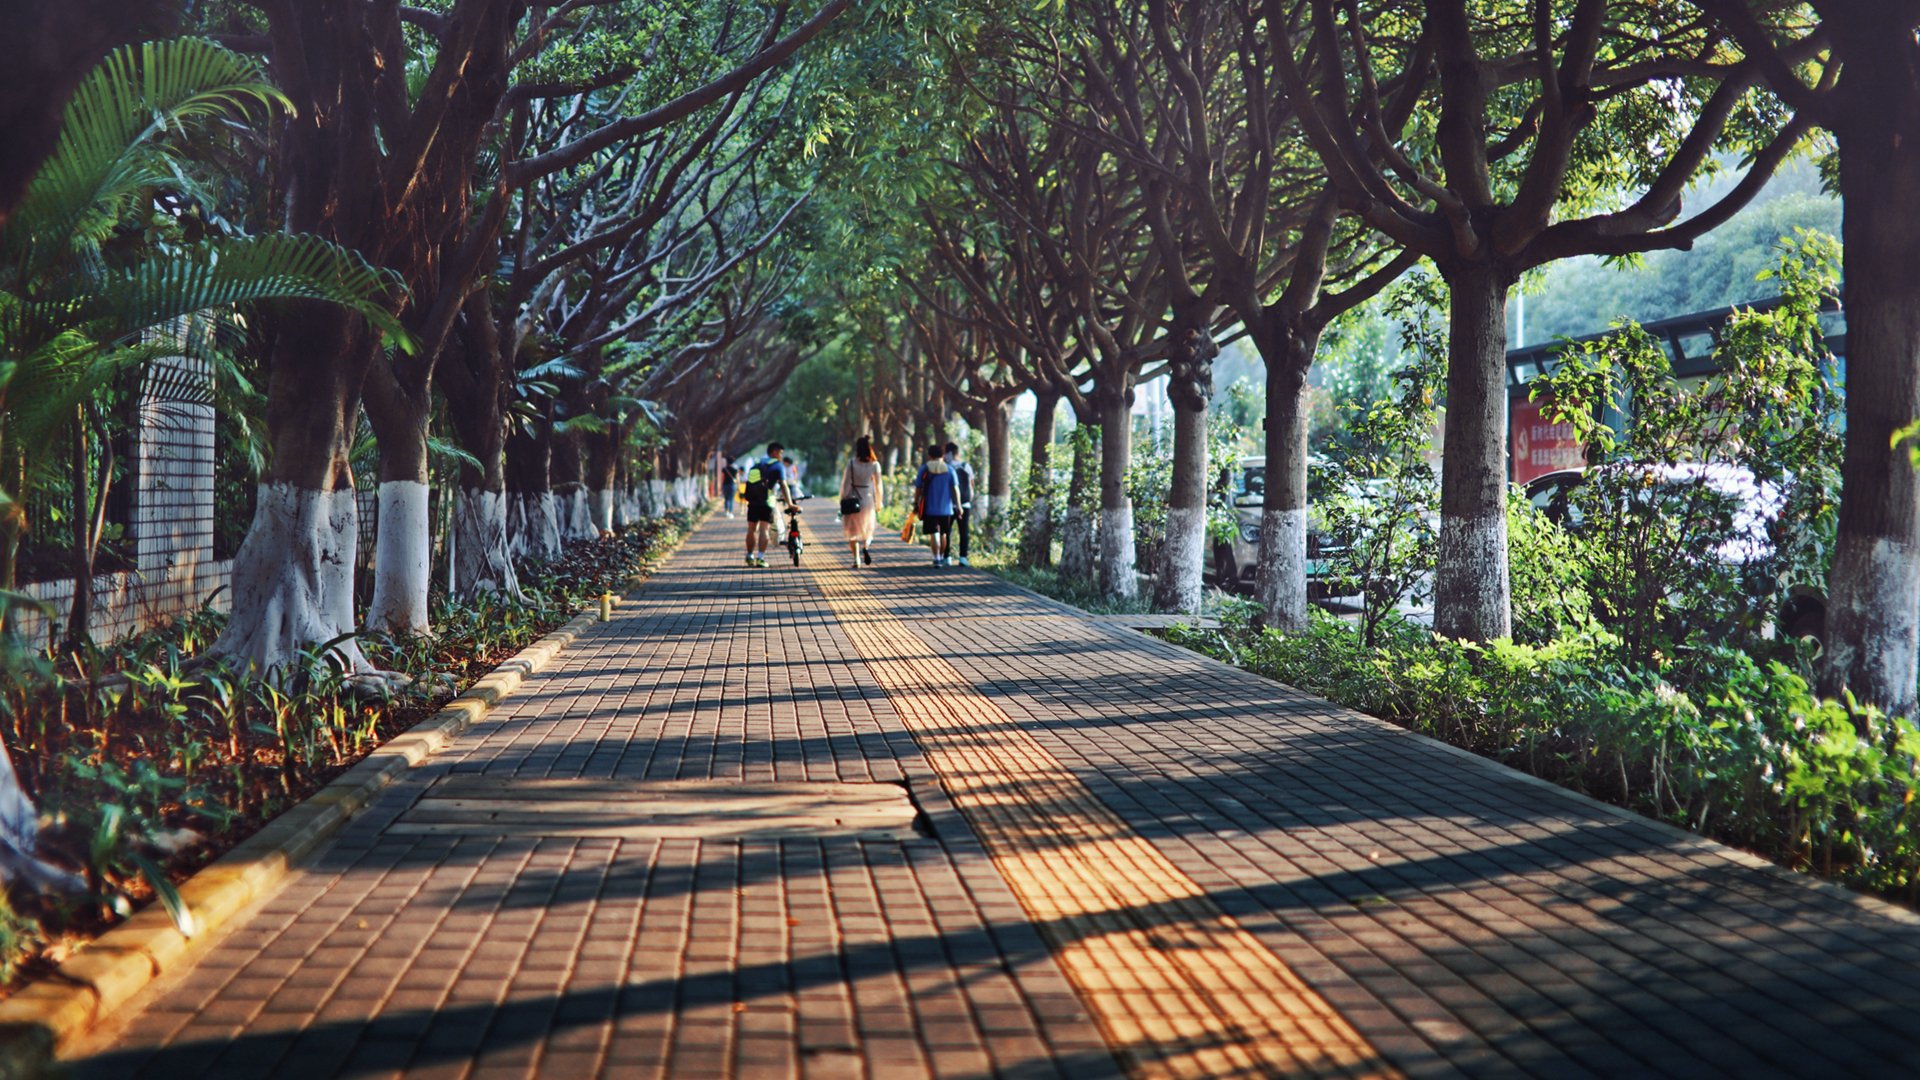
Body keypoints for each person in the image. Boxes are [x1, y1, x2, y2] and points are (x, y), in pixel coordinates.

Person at [742, 442, 794, 567]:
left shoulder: (757, 464)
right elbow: (783, 485)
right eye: (780, 453)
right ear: (774, 452)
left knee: (751, 529)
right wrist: (790, 504)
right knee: (763, 529)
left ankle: (749, 556)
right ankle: (760, 558)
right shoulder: (778, 466)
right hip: (767, 501)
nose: (781, 456)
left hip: (753, 501)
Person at [839, 436, 884, 567]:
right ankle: (866, 546)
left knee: (853, 532)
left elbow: (846, 483)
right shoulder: (875, 465)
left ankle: (856, 559)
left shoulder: (851, 463)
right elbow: (878, 486)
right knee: (867, 529)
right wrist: (879, 502)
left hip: (853, 500)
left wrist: (843, 498)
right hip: (868, 500)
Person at [914, 443, 959, 567]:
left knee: (934, 533)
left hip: (929, 507)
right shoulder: (949, 469)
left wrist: (916, 502)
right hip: (946, 508)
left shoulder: (925, 468)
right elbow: (955, 489)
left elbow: (918, 488)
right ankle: (942, 556)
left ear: (929, 455)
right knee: (944, 533)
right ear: (942, 455)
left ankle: (936, 558)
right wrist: (958, 505)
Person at [944, 441, 975, 566]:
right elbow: (972, 484)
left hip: (948, 504)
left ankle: (946, 557)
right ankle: (963, 558)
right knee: (964, 531)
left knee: (946, 531)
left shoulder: (946, 467)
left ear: (948, 453)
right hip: (965, 504)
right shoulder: (966, 466)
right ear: (957, 452)